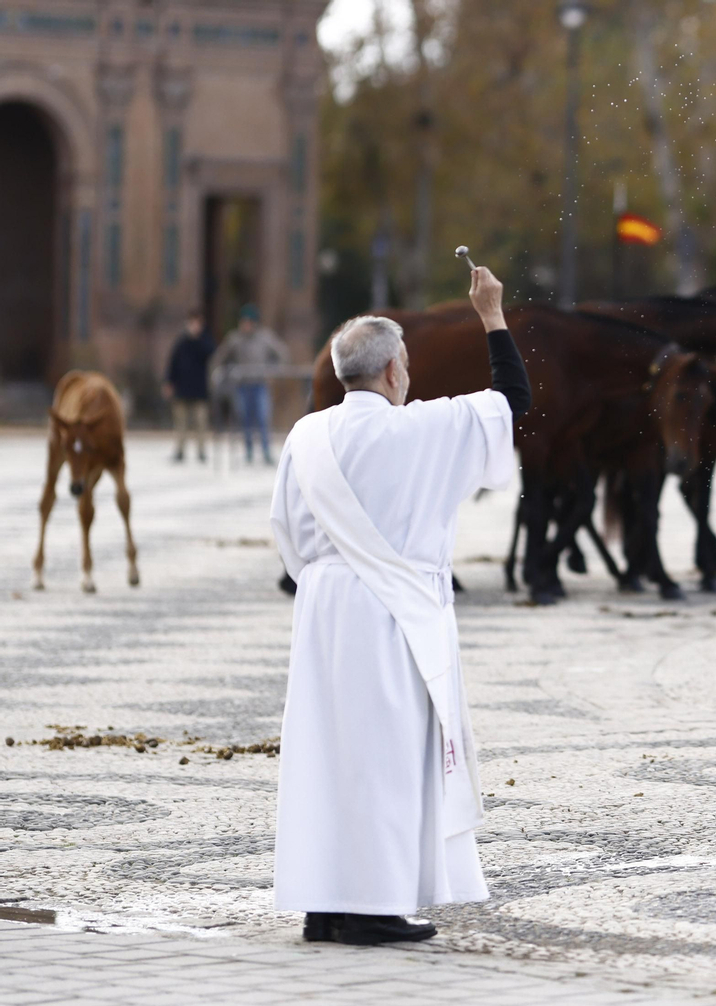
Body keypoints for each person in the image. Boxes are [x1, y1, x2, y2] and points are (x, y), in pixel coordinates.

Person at [268, 267, 531, 945]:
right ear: (390, 373)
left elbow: (289, 542)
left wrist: (330, 578)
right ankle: (375, 909)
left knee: (327, 758)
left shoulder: (306, 438)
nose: (409, 375)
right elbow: (513, 399)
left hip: (323, 611)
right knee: (384, 757)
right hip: (391, 616)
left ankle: (325, 905)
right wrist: (492, 316)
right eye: (406, 364)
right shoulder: (421, 430)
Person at [215, 304, 289, 464]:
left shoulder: (265, 338)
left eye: (249, 322)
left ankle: (266, 451)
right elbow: (221, 358)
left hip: (260, 385)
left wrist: (272, 371)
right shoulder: (234, 339)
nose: (246, 325)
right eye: (244, 322)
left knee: (263, 419)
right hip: (242, 385)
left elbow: (282, 354)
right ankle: (248, 451)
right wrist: (229, 372)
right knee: (245, 419)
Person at [163, 309, 214, 463]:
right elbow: (173, 363)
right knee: (180, 422)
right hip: (182, 389)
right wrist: (169, 382)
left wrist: (199, 338)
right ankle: (179, 450)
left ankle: (201, 451)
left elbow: (212, 353)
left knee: (201, 422)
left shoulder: (205, 341)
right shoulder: (181, 342)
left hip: (200, 390)